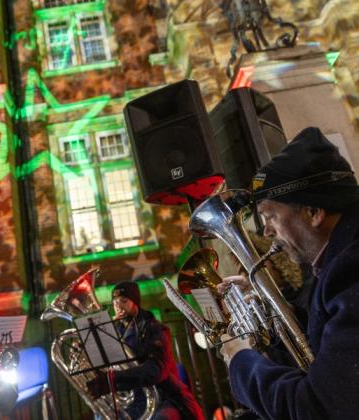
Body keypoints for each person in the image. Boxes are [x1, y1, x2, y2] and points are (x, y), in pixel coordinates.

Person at [219, 126, 359, 419]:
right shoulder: (340, 261)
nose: (267, 231)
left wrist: (240, 360)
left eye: (271, 216)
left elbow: (315, 408)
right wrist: (273, 303)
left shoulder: (350, 271)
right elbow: (331, 335)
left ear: (313, 212)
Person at [86, 281, 204, 420]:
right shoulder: (113, 331)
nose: (118, 306)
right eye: (115, 302)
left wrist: (114, 377)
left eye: (123, 301)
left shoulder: (154, 328)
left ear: (135, 302)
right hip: (133, 402)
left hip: (164, 398)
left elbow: (155, 371)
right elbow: (107, 365)